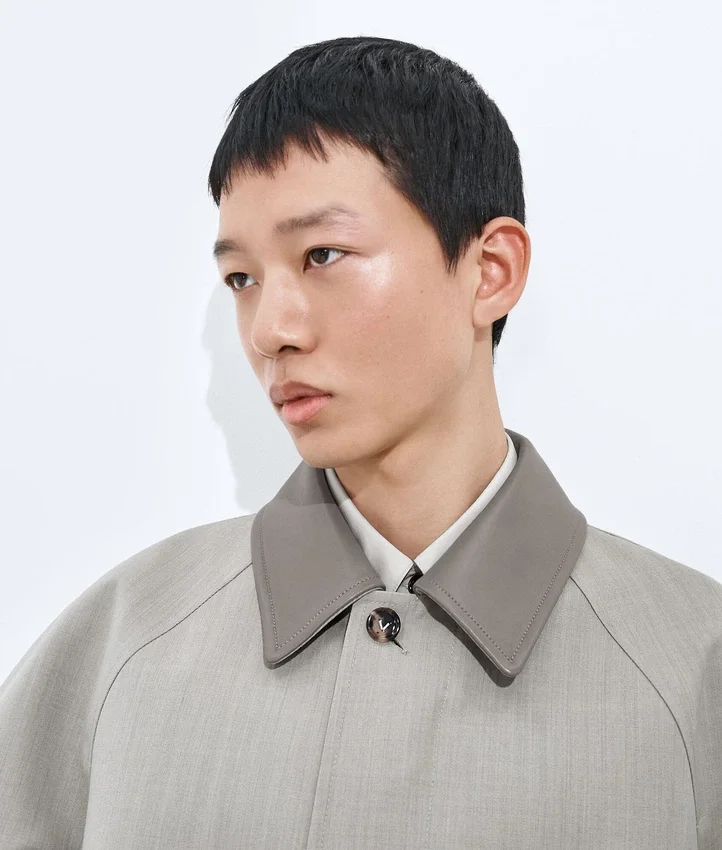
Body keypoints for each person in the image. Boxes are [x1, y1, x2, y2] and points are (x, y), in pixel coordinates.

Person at [1, 35, 720, 850]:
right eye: (242, 278)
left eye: (323, 255)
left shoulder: (693, 669)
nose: (269, 330)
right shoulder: (120, 645)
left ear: (490, 271)